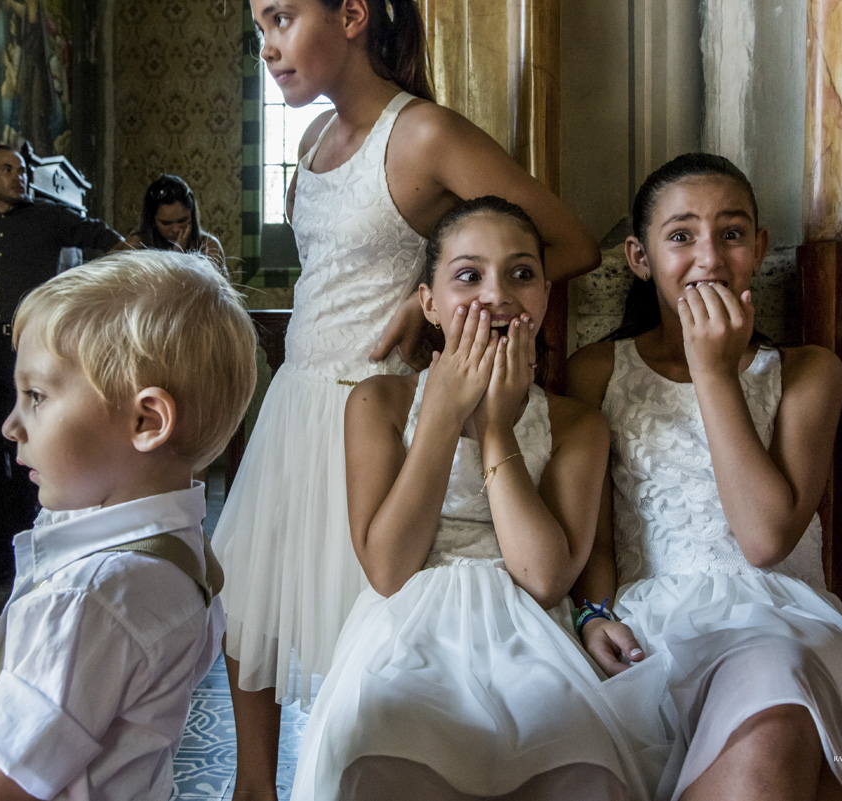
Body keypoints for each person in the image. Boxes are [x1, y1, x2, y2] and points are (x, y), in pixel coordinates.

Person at [216, 1, 601, 794]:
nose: (269, 46)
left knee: (356, 615)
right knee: (254, 598)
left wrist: (414, 302)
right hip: (298, 398)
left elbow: (568, 242)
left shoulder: (420, 132)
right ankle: (254, 785)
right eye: (259, 26)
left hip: (373, 403)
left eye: (282, 17)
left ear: (353, 15)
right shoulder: (316, 142)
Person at [0, 250, 259, 801]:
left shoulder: (96, 595)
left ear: (145, 421)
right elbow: (72, 681)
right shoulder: (173, 549)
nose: (11, 425)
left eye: (36, 396)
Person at [566, 153, 842, 801]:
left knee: (779, 700)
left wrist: (714, 372)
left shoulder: (806, 371)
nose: (710, 257)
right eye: (681, 235)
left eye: (733, 232)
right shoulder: (596, 371)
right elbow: (596, 534)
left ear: (760, 246)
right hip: (652, 624)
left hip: (777, 618)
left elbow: (766, 538)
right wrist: (591, 613)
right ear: (640, 257)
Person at [290, 197, 644, 800]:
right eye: (468, 275)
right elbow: (389, 568)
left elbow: (543, 578)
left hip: (530, 632)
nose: (497, 294)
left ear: (544, 298)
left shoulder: (577, 424)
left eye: (522, 273)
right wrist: (443, 415)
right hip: (406, 629)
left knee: (565, 758)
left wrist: (498, 428)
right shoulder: (379, 403)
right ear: (429, 303)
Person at [0, 144, 124, 584]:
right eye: (8, 169)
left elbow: (111, 241)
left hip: (31, 347)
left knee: (33, 449)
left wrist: (81, 305)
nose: (20, 177)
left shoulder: (50, 216)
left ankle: (34, 552)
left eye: (24, 170)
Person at [125, 174, 227, 275]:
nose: (176, 229)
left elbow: (216, 289)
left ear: (192, 216)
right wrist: (175, 256)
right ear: (152, 221)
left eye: (183, 220)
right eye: (166, 223)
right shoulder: (136, 244)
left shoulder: (208, 246)